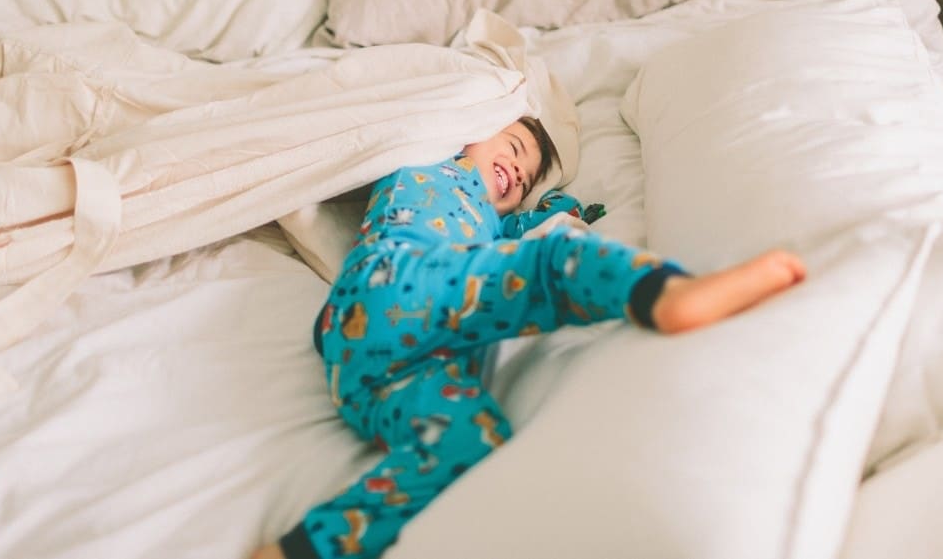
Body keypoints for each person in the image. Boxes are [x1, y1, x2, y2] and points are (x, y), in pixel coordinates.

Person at [253, 117, 805, 559]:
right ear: (466, 129)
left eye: (526, 177)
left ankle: (304, 548)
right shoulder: (428, 164)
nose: (517, 171)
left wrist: (559, 207)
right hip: (397, 278)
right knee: (550, 267)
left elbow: (537, 218)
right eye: (513, 146)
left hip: (362, 364)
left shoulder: (491, 221)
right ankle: (663, 293)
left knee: (469, 441)